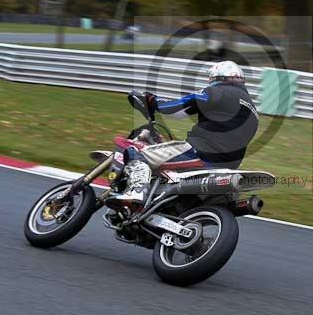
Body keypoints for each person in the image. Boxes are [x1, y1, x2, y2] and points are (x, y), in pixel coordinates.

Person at [107, 60, 259, 210]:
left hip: (199, 153)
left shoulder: (219, 91)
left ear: (217, 78)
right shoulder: (253, 111)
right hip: (227, 167)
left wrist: (151, 101)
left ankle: (138, 191)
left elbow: (175, 109)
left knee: (136, 151)